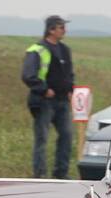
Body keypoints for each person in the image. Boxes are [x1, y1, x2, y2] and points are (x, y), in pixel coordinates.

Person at [21, 15, 75, 179]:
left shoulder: (65, 50)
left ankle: (61, 173)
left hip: (63, 101)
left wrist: (70, 89)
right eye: (61, 27)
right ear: (51, 30)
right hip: (44, 101)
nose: (64, 30)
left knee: (67, 136)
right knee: (42, 138)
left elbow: (69, 73)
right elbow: (28, 75)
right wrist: (44, 90)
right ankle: (40, 174)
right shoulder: (37, 49)